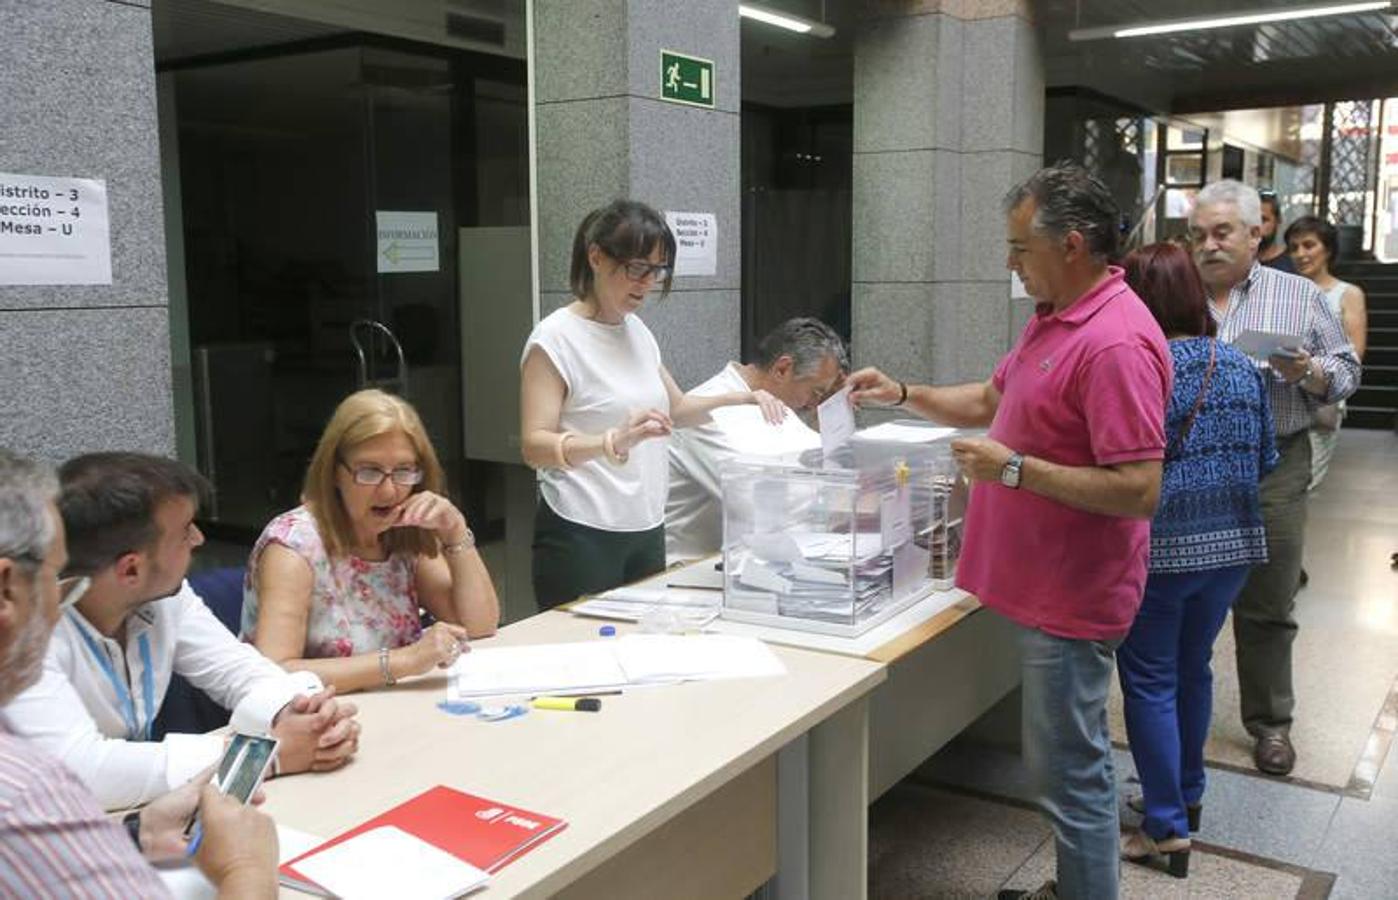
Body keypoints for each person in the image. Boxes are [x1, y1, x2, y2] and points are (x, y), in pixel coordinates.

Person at [849, 162, 1171, 900]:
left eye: (1020, 248)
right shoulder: (1054, 317)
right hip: (1031, 586)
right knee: (1061, 763)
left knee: (1070, 774)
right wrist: (903, 392)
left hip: (1072, 599)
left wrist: (1015, 470)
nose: (1008, 263)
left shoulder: (1116, 343)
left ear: (1075, 244)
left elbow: (1140, 490)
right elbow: (994, 397)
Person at [5, 452, 360, 812]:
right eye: (185, 530)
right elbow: (83, 771)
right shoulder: (26, 636)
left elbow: (239, 670)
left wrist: (307, 716)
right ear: (131, 570)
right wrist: (265, 754)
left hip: (142, 817)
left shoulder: (164, 597)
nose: (200, 538)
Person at [0, 448, 279, 898]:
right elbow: (78, 769)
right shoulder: (25, 789)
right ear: (7, 589)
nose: (59, 607)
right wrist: (246, 869)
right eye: (55, 578)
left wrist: (137, 832)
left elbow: (247, 672)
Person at [519, 199, 785, 608]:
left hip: (646, 524)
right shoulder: (554, 339)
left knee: (642, 649)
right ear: (596, 256)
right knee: (584, 653)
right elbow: (534, 445)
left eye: (657, 271)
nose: (645, 284)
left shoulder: (638, 332)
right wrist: (611, 442)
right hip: (582, 527)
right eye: (636, 268)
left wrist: (742, 396)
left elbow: (676, 410)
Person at [1115, 243, 1279, 877]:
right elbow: (1266, 455)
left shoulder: (1146, 366)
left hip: (1165, 550)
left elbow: (1126, 460)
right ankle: (1187, 794)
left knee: (1150, 680)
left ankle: (1165, 831)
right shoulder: (1238, 364)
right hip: (1235, 546)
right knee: (1194, 668)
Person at [1189, 180, 1360, 776]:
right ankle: (1180, 717)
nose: (1207, 246)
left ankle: (1271, 724)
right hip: (1193, 467)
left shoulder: (1298, 295)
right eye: (1197, 235)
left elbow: (1345, 372)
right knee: (1181, 600)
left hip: (1275, 464)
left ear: (1256, 233)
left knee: (1267, 601)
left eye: (1221, 233)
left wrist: (1309, 370)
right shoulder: (1174, 294)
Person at [244, 389, 500, 693]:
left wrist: (455, 531)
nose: (390, 491)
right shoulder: (293, 547)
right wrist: (403, 661)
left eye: (404, 471)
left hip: (389, 709)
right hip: (315, 722)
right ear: (334, 472)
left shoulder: (402, 531)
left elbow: (479, 626)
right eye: (369, 471)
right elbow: (277, 671)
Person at [665, 317, 846, 563]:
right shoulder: (704, 412)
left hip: (764, 559)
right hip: (692, 568)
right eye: (815, 392)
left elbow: (829, 464)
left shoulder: (782, 404)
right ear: (782, 369)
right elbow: (756, 506)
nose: (815, 403)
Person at [1285, 214, 1369, 489]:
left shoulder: (1348, 293)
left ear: (1328, 249)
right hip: (1282, 393)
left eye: (1309, 245)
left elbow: (1354, 353)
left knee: (1305, 480)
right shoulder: (1286, 292)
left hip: (1322, 396)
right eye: (1294, 247)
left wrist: (1312, 367)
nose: (1300, 254)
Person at [1257, 191, 1296, 274]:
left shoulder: (1294, 263)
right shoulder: (1238, 264)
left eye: (1263, 220)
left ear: (1278, 221)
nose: (1256, 226)